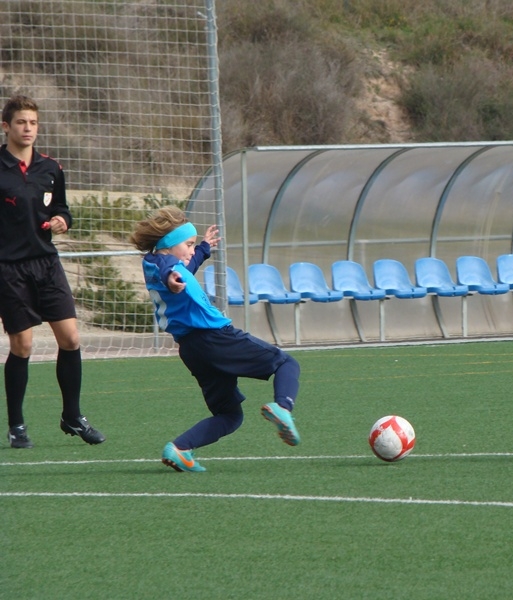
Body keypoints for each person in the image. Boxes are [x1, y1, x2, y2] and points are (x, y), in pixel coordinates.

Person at [130, 206, 301, 472]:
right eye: (188, 244)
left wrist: (203, 249)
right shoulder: (167, 267)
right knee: (286, 364)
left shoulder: (153, 262)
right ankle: (283, 408)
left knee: (229, 415)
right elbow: (172, 271)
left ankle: (180, 449)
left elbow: (183, 266)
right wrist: (172, 279)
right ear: (169, 244)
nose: (190, 250)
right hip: (215, 337)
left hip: (192, 349)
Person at [0, 94, 105, 448]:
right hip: (8, 269)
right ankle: (16, 425)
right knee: (23, 346)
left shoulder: (51, 168)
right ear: (6, 126)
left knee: (71, 339)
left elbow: (61, 207)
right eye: (20, 122)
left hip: (47, 263)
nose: (27, 129)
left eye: (32, 123)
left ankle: (72, 416)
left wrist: (63, 219)